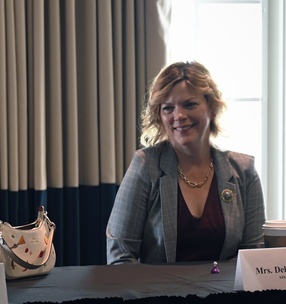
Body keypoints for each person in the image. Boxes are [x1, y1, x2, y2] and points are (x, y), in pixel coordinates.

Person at [106, 60, 264, 264]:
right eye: (168, 108)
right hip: (160, 294)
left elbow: (254, 257)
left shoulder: (244, 170)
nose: (178, 116)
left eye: (190, 104)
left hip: (227, 293)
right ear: (159, 116)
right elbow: (120, 256)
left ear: (212, 108)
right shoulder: (145, 166)